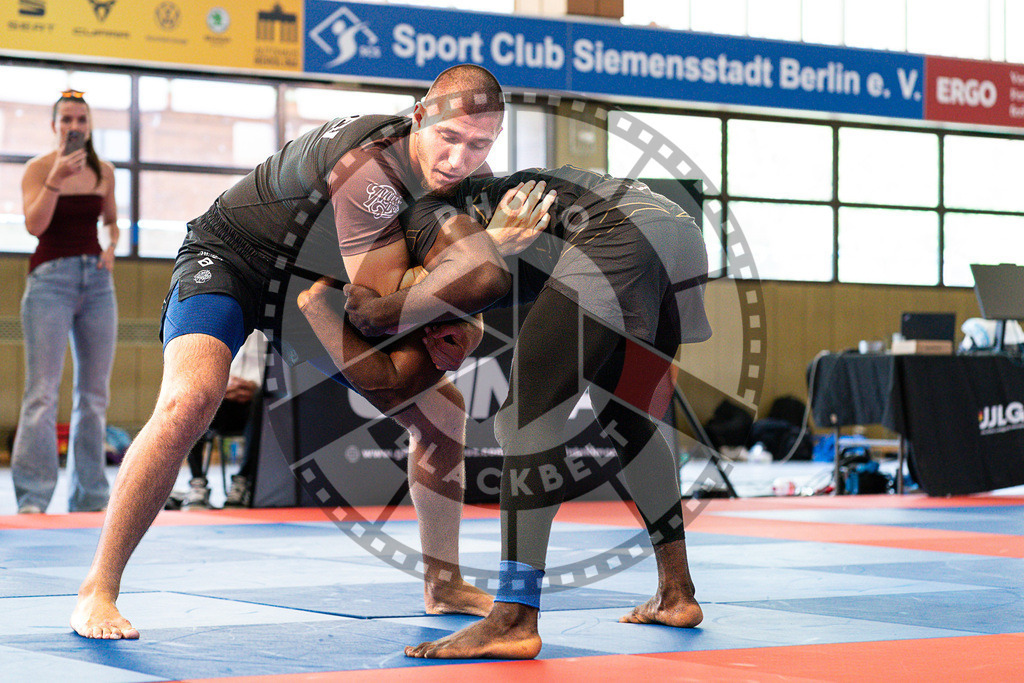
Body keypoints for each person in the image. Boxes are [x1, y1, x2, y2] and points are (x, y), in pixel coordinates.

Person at [70, 64, 520, 639]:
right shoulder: (373, 172)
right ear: (418, 118)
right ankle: (98, 589)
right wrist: (480, 260)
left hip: (310, 288)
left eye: (479, 144)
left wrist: (465, 306)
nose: (459, 158)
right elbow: (374, 310)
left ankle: (443, 582)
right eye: (449, 138)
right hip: (234, 259)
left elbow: (451, 293)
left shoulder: (454, 184)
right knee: (191, 400)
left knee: (443, 416)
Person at [338, 165, 712, 659]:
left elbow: (414, 304)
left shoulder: (424, 218)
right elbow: (464, 304)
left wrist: (375, 313)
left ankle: (513, 616)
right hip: (677, 232)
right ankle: (676, 594)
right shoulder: (465, 224)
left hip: (616, 234)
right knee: (625, 415)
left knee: (523, 419)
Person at [13, 89, 118, 515]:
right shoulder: (38, 169)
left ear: (89, 126)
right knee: (41, 392)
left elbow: (111, 220)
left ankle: (90, 496)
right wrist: (55, 180)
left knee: (93, 395)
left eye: (81, 120)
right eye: (67, 120)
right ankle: (34, 498)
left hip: (96, 281)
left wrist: (112, 246)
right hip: (49, 280)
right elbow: (35, 226)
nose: (75, 127)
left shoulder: (104, 170)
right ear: (54, 125)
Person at [179, 331, 267, 510]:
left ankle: (242, 482)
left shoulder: (275, 329)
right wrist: (221, 385)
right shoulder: (224, 323)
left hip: (256, 405)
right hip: (222, 400)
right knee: (194, 398)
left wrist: (256, 386)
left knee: (261, 399)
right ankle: (197, 483)